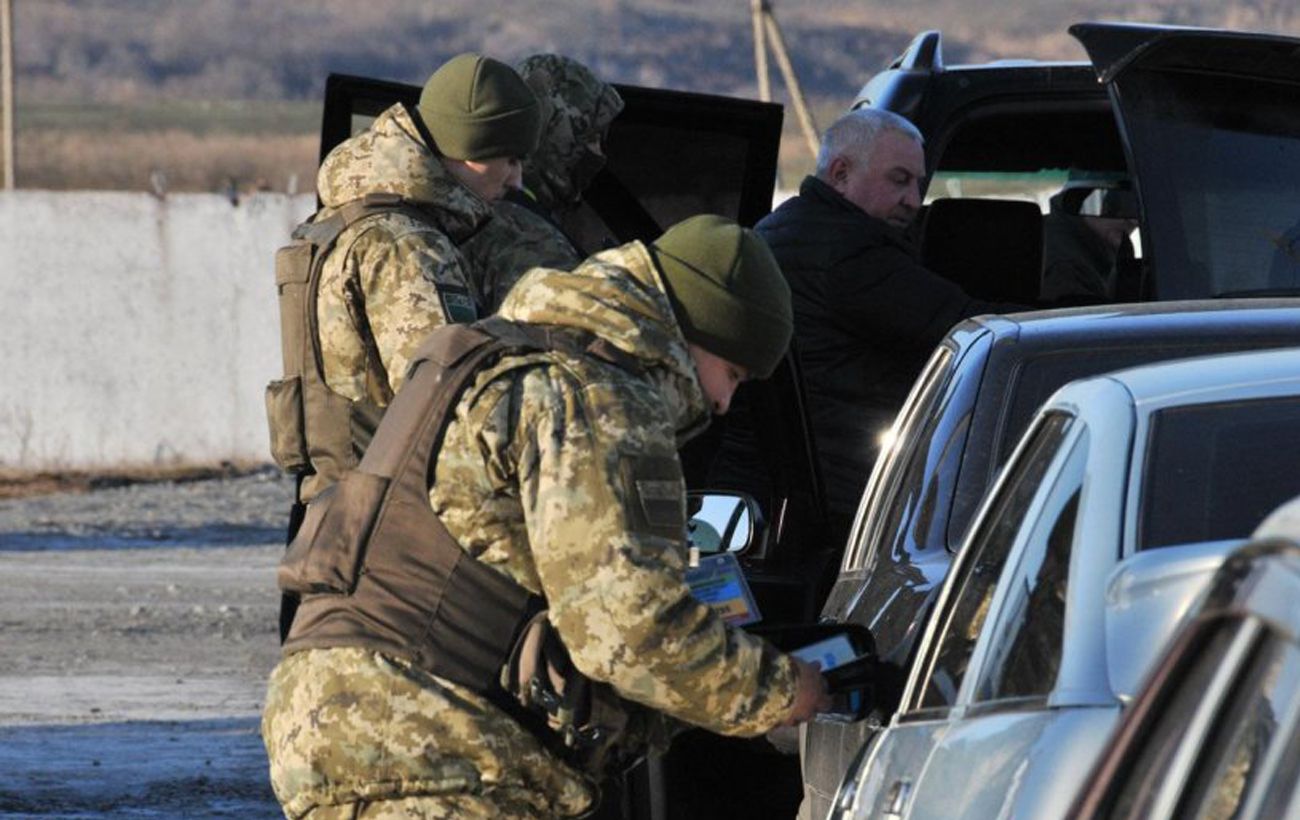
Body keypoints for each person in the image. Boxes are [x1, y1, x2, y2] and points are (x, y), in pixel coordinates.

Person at [262, 214, 832, 818]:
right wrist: (782, 692)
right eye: (732, 374)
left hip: (329, 720)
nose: (722, 402)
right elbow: (628, 630)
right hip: (440, 741)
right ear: (694, 334)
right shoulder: (602, 396)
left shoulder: (491, 356)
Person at [715, 107, 1021, 543]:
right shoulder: (848, 253)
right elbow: (979, 331)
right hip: (838, 510)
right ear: (840, 173)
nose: (914, 200)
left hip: (764, 499)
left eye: (919, 183)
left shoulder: (779, 229)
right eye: (899, 180)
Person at [266, 52, 541, 504]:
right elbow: (446, 404)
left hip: (337, 508)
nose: (516, 180)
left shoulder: (348, 220)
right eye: (508, 159)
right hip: (389, 520)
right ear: (466, 150)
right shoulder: (406, 244)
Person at [462, 53, 625, 311]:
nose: (598, 152)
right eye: (591, 136)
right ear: (557, 133)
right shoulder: (527, 235)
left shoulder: (486, 205)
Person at [1041, 179, 1139, 302]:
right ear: (1080, 203)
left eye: (1136, 207)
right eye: (1116, 205)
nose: (1134, 221)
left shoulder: (1078, 247)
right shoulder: (1065, 268)